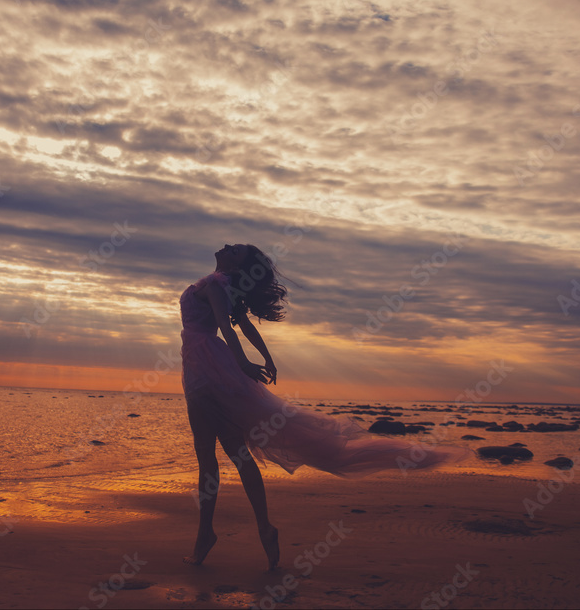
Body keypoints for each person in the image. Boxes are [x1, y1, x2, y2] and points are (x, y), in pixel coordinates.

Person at [179, 243, 470, 570]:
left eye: (236, 251)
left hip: (204, 371)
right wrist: (264, 358)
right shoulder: (220, 285)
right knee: (238, 453)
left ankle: (206, 535)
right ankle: (263, 527)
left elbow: (228, 326)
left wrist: (248, 363)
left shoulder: (216, 284)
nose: (229, 247)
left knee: (207, 458)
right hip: (216, 369)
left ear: (235, 267)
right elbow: (241, 326)